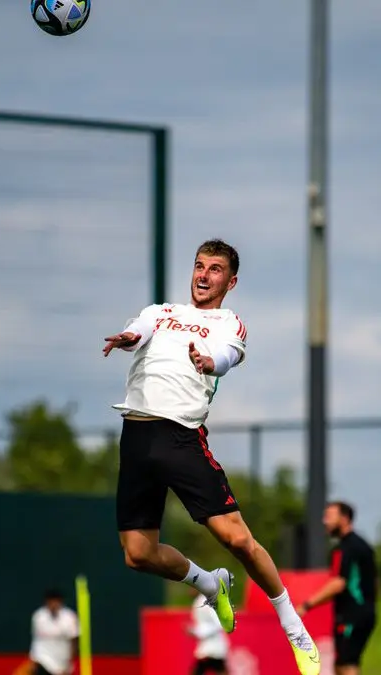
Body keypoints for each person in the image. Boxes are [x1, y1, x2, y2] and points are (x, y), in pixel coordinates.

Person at [102, 238, 321, 675]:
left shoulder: (228, 323)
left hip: (180, 439)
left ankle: (293, 626)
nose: (203, 275)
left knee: (237, 540)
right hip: (137, 438)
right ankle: (209, 582)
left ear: (231, 281)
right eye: (200, 266)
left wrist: (207, 360)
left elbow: (226, 357)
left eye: (215, 269)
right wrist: (129, 338)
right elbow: (140, 331)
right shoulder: (160, 312)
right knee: (138, 554)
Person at [296, 501, 378, 675]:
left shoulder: (345, 548)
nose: (325, 521)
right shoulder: (363, 546)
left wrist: (306, 605)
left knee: (346, 665)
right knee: (341, 665)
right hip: (363, 612)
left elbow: (338, 583)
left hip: (352, 615)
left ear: (345, 518)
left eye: (330, 516)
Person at [27, 588, 80, 675]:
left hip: (62, 660)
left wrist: (69, 661)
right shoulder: (39, 616)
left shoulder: (69, 617)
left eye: (56, 601)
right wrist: (33, 659)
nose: (53, 604)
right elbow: (36, 640)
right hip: (42, 659)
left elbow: (74, 640)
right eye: (50, 601)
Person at [187, 591, 229, 674]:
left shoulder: (207, 602)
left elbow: (219, 623)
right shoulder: (199, 601)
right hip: (207, 648)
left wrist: (198, 632)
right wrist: (194, 631)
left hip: (214, 647)